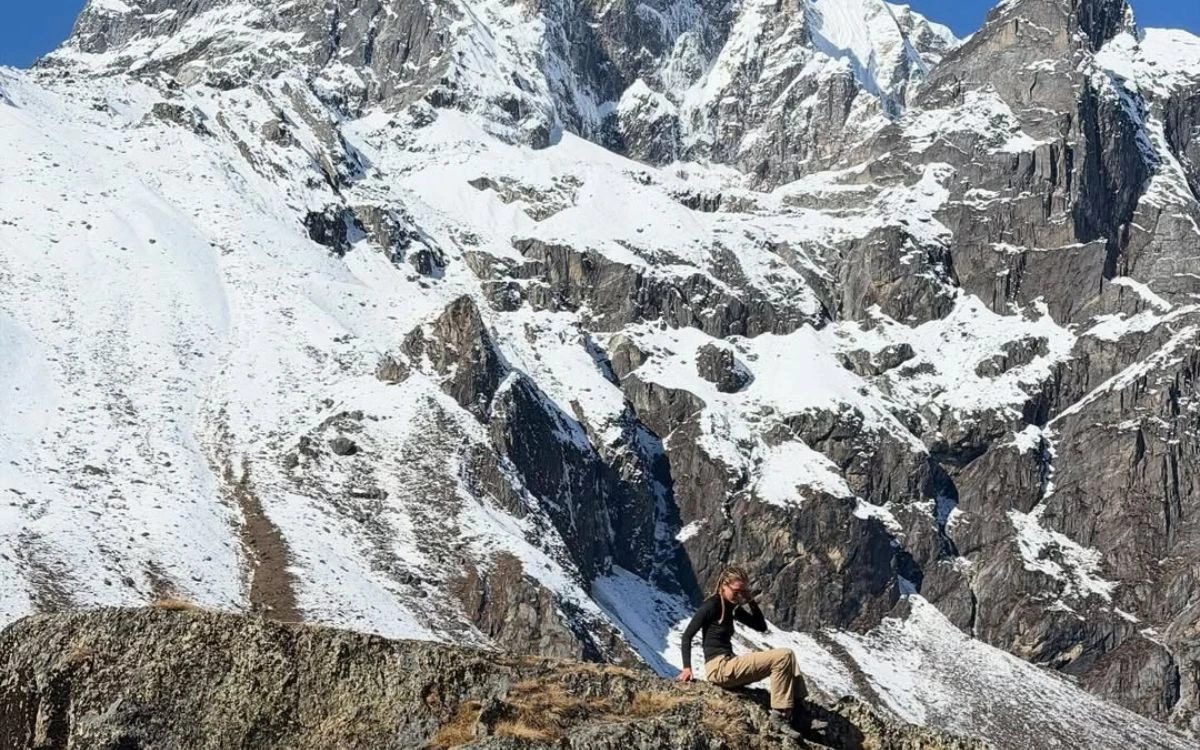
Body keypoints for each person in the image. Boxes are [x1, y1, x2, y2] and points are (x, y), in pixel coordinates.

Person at [676, 566, 800, 735]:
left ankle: (799, 712)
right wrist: (686, 668)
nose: (739, 594)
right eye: (736, 590)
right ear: (723, 585)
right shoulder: (711, 605)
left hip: (729, 663)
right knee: (784, 655)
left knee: (789, 658)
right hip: (719, 668)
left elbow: (760, 626)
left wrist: (750, 600)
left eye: (742, 591)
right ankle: (778, 716)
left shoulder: (732, 607)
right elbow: (687, 636)